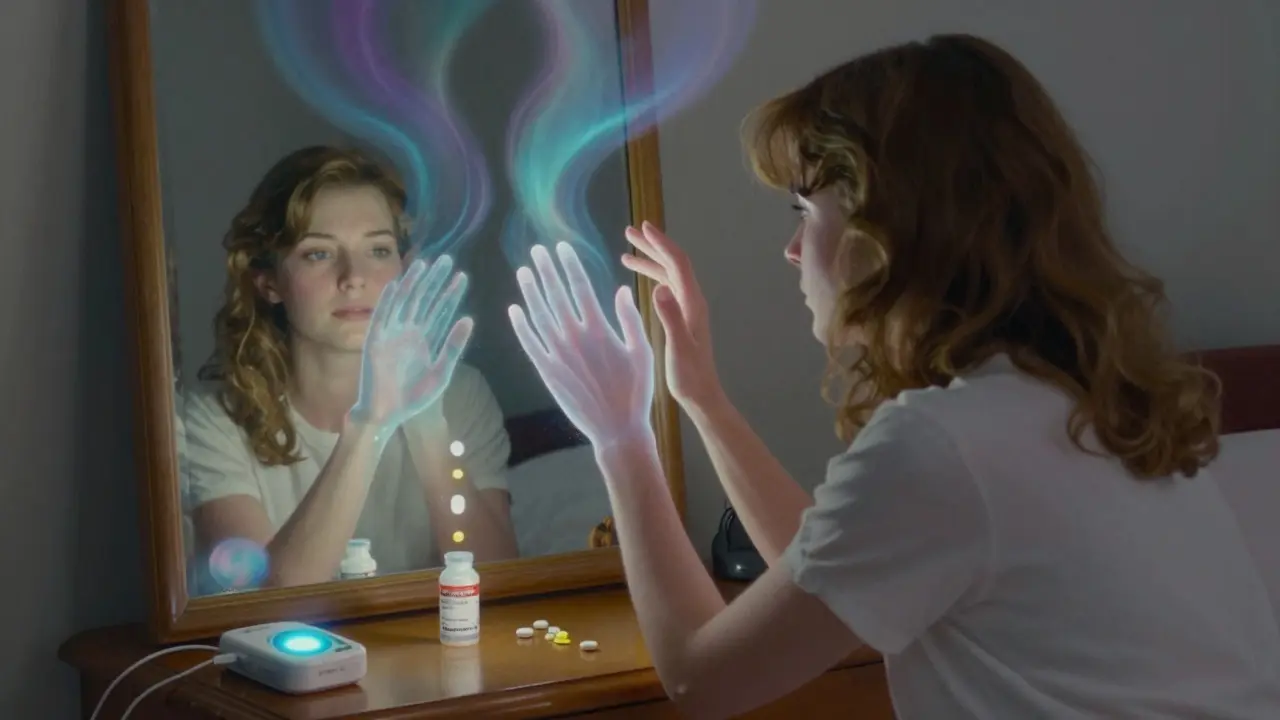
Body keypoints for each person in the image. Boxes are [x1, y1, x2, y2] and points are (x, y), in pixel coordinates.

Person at [508, 34, 1280, 719]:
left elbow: (702, 680)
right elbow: (838, 571)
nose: (791, 251)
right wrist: (702, 399)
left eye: (804, 210)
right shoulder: (1083, 404)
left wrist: (621, 437)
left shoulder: (945, 446)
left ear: (889, 227)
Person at [183, 145, 518, 592]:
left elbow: (497, 580)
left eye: (378, 250)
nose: (353, 277)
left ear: (404, 268)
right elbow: (266, 603)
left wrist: (426, 423)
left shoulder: (461, 397)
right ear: (269, 282)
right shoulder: (214, 420)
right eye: (318, 254)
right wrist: (368, 426)